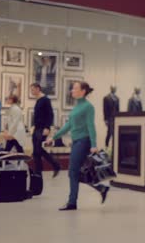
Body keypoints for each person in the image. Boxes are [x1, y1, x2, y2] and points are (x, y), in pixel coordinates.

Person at [47, 81, 109, 210]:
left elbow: (91, 126)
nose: (72, 91)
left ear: (83, 91)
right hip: (76, 142)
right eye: (72, 88)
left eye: (75, 88)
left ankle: (72, 202)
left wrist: (94, 144)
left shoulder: (88, 107)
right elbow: (68, 126)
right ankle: (101, 188)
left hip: (83, 141)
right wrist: (54, 137)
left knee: (72, 171)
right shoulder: (76, 107)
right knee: (77, 172)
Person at [30, 83, 60, 177]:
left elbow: (50, 114)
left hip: (43, 128)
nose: (32, 92)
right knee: (36, 150)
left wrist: (47, 127)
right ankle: (53, 165)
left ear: (38, 89)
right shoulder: (38, 100)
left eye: (33, 90)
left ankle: (40, 170)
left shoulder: (45, 100)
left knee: (38, 149)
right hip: (37, 128)